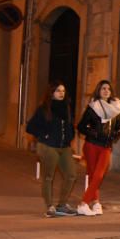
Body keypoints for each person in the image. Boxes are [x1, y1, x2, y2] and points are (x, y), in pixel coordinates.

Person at [26, 81, 78, 217]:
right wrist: (45, 135)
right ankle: (50, 206)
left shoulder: (66, 108)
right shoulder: (44, 109)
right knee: (48, 177)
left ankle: (62, 204)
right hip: (48, 146)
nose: (61, 93)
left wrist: (70, 137)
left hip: (64, 147)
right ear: (51, 93)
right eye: (58, 91)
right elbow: (30, 127)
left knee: (71, 174)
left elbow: (70, 125)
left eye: (63, 91)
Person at [75, 80, 120, 216]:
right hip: (91, 145)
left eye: (108, 89)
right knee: (93, 175)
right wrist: (94, 133)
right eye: (103, 88)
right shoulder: (93, 107)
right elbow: (81, 126)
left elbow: (119, 128)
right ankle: (96, 203)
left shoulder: (116, 108)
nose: (106, 91)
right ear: (98, 90)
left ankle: (83, 203)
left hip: (106, 147)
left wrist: (114, 136)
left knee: (98, 175)